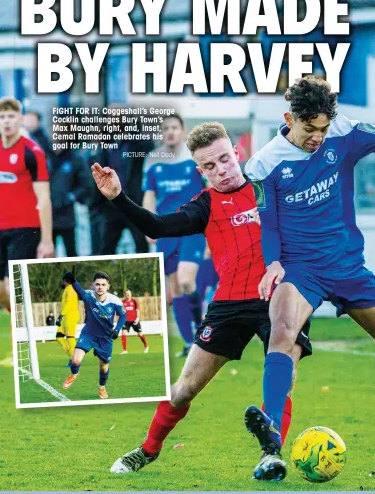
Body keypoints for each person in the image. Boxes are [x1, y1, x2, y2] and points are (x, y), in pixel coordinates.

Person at [91, 121, 312, 475]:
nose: (221, 170)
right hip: (228, 303)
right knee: (183, 390)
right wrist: (118, 197)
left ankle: (271, 453)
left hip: (280, 296)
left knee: (281, 375)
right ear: (200, 170)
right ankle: (147, 450)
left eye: (224, 159)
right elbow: (157, 227)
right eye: (210, 166)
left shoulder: (268, 189)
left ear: (237, 153)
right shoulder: (204, 205)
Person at [244, 76, 375, 480]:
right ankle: (270, 450)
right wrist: (272, 263)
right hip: (300, 268)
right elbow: (268, 225)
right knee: (281, 331)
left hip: (348, 265)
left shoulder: (344, 132)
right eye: (308, 129)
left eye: (322, 128)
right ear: (289, 118)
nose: (317, 137)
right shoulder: (264, 163)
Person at [142, 114, 206, 357]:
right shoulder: (152, 161)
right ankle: (190, 343)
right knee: (176, 287)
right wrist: (148, 222)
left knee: (187, 279)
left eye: (174, 128)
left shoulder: (195, 158)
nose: (170, 132)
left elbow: (209, 190)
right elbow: (149, 195)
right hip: (165, 230)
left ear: (182, 130)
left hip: (192, 227)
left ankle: (202, 329)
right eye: (166, 128)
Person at [0, 97, 55, 311]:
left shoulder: (32, 151)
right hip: (0, 228)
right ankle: (25, 324)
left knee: (14, 287)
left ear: (20, 119)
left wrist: (47, 240)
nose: (7, 121)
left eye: (11, 116)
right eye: (2, 117)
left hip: (26, 229)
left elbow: (44, 197)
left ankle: (22, 337)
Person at [62, 271, 126, 399]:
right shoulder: (89, 296)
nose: (100, 287)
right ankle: (74, 374)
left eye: (103, 284)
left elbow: (123, 315)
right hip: (88, 334)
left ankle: (102, 387)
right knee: (75, 360)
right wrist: (73, 281)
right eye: (97, 284)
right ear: (93, 285)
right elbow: (80, 291)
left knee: (103, 368)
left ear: (108, 286)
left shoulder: (115, 301)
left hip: (105, 338)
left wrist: (117, 329)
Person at [55, 273, 81, 366]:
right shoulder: (67, 289)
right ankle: (72, 357)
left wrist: (61, 315)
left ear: (65, 280)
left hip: (71, 316)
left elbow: (69, 304)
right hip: (66, 317)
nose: (61, 282)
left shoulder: (70, 289)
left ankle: (75, 360)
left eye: (62, 280)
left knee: (70, 338)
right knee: (59, 336)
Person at [121, 290, 149, 354]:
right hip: (126, 321)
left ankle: (146, 347)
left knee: (140, 334)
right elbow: (121, 312)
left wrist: (137, 318)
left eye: (129, 293)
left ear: (131, 294)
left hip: (134, 320)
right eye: (126, 293)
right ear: (125, 294)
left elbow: (137, 310)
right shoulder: (122, 302)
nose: (128, 294)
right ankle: (125, 350)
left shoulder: (134, 301)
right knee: (123, 333)